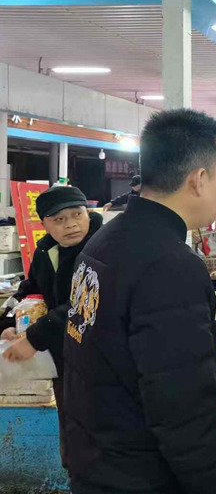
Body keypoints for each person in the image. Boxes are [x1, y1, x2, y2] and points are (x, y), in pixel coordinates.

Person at [62, 109, 216, 494]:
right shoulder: (170, 266)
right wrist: (213, 481)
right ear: (199, 180)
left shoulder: (104, 240)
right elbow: (182, 402)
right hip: (141, 475)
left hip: (95, 460)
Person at [0, 185, 103, 468]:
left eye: (76, 214)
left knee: (98, 436)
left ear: (87, 213)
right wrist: (9, 323)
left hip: (101, 363)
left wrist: (34, 337)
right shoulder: (46, 250)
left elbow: (83, 304)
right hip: (63, 360)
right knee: (71, 434)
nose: (70, 224)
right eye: (59, 219)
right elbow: (31, 290)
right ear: (44, 223)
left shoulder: (102, 248)